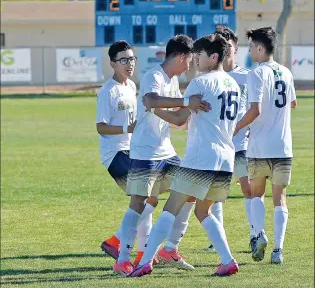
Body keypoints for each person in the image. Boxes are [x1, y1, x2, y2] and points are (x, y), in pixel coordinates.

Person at [129, 33, 240, 278]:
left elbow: (180, 118)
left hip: (201, 157)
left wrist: (153, 108)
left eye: (199, 54)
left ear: (213, 57)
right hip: (225, 159)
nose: (195, 59)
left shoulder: (200, 83)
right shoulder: (233, 84)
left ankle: (145, 262)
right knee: (203, 211)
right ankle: (228, 261)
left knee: (170, 209)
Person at [113, 35, 211, 276]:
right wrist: (187, 100)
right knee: (138, 203)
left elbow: (178, 119)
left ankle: (170, 249)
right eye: (189, 60)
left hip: (166, 151)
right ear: (180, 57)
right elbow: (150, 99)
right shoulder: (153, 76)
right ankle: (122, 259)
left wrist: (193, 107)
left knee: (190, 191)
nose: (190, 65)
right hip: (145, 151)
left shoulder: (174, 80)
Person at [234, 27, 297, 264]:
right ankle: (278, 251)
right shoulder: (286, 72)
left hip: (260, 146)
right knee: (279, 197)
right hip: (283, 146)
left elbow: (255, 109)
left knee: (256, 194)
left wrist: (238, 126)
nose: (250, 52)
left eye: (251, 47)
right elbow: (292, 103)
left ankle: (259, 235)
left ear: (260, 48)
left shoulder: (256, 73)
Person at [96, 40, 157, 266]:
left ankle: (131, 248)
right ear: (113, 63)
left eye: (132, 59)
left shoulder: (131, 86)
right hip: (115, 154)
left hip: (131, 151)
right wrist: (126, 129)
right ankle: (132, 249)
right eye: (124, 60)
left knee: (147, 198)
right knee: (145, 197)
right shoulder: (107, 91)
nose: (129, 64)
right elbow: (100, 127)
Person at [205, 27, 256, 254]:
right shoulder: (211, 78)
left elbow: (257, 108)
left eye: (229, 43)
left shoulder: (247, 76)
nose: (226, 48)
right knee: (216, 194)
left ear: (235, 47)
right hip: (218, 143)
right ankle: (218, 238)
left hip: (242, 142)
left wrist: (252, 127)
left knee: (247, 186)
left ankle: (256, 234)